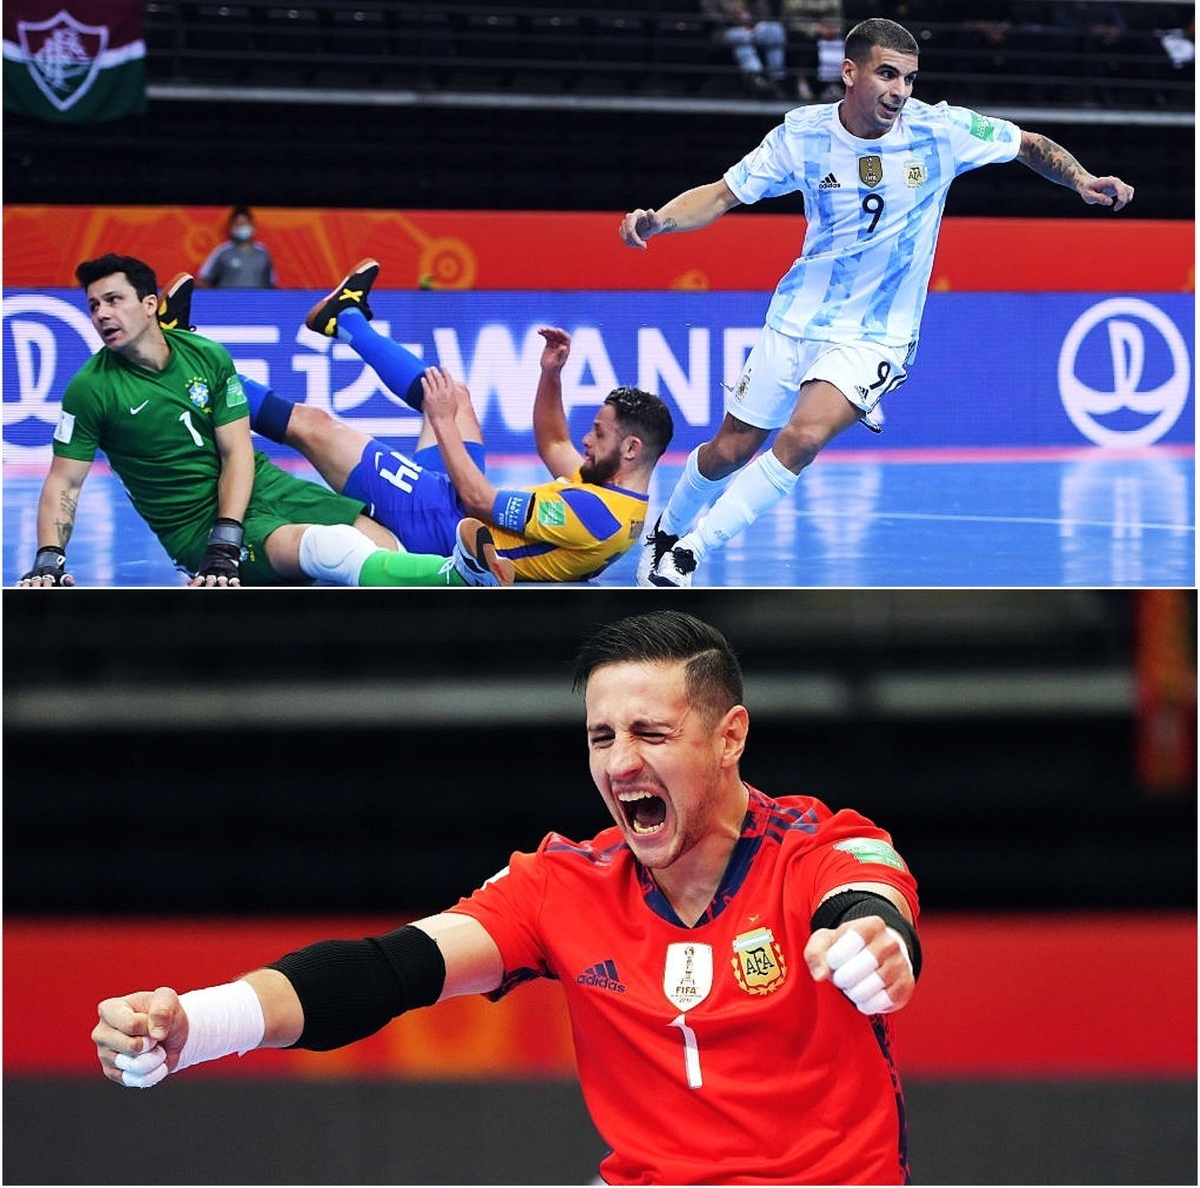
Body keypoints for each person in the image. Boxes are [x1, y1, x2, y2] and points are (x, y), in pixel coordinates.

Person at [91, 608, 922, 1185]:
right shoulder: (561, 884)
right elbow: (386, 970)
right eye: (602, 737)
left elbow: (869, 901)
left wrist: (875, 945)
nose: (621, 763)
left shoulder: (816, 847)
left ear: (729, 737)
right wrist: (194, 1026)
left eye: (651, 734)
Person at [619, 16, 1135, 587]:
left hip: (877, 334)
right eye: (887, 74)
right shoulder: (803, 135)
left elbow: (1028, 145)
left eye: (909, 79)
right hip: (796, 318)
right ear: (849, 72)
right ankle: (665, 533)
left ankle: (689, 553)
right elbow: (721, 195)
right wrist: (660, 220)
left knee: (804, 438)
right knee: (729, 450)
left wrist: (1081, 178)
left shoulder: (940, 131)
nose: (900, 91)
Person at [15, 253, 512, 589]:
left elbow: (236, 452)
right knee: (332, 534)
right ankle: (459, 574)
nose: (100, 313)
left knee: (374, 543)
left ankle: (342, 319)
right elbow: (64, 482)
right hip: (197, 525)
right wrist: (48, 558)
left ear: (147, 303)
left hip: (271, 490)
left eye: (113, 300)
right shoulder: (90, 388)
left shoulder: (209, 357)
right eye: (93, 305)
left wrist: (229, 536)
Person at [220, 259, 674, 582]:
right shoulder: (617, 496)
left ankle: (202, 375)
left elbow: (478, 500)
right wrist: (550, 374)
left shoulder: (593, 514)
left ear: (631, 448)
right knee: (454, 395)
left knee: (313, 425)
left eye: (598, 432)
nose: (585, 440)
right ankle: (345, 318)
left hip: (439, 525)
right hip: (453, 511)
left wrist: (439, 423)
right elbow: (553, 443)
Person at [701, 0, 788, 98]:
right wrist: (734, 17)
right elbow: (711, 16)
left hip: (753, 28)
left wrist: (752, 20)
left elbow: (765, 13)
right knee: (741, 36)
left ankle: (777, 78)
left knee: (775, 29)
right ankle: (756, 77)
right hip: (725, 31)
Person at [197, 206, 276, 289]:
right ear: (232, 228)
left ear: (252, 226)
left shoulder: (263, 253)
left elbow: (272, 283)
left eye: (244, 224)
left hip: (257, 301)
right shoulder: (222, 251)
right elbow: (202, 279)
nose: (241, 228)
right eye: (238, 225)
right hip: (228, 300)